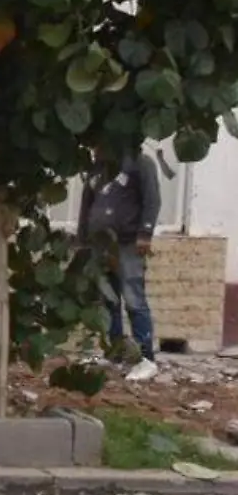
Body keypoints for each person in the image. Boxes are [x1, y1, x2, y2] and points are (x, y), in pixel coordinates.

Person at [79, 149, 161, 382]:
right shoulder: (97, 166)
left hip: (128, 243)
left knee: (134, 298)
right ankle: (115, 353)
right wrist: (82, 239)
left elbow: (152, 198)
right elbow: (87, 204)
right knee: (108, 299)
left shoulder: (140, 162)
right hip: (101, 244)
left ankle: (147, 358)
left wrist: (145, 233)